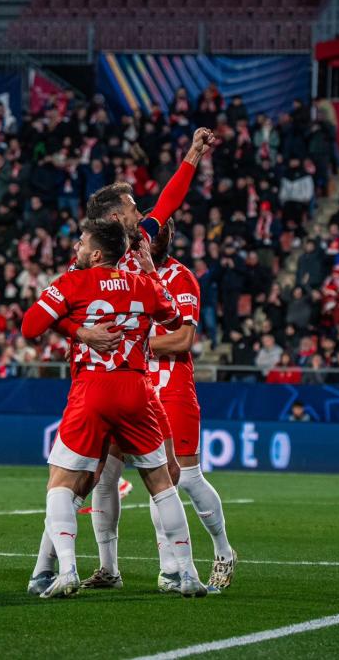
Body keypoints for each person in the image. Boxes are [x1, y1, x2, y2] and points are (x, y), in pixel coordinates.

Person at [20, 219, 207, 599]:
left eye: (82, 244)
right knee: (161, 484)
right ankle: (186, 574)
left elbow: (30, 326)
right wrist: (153, 278)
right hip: (137, 389)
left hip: (92, 388)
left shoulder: (74, 282)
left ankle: (67, 568)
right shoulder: (142, 284)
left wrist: (78, 329)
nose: (77, 249)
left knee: (61, 482)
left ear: (97, 253)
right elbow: (173, 319)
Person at [82, 218, 236, 594]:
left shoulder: (182, 279)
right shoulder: (127, 272)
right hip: (132, 386)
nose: (156, 238)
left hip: (172, 388)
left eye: (164, 232)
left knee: (184, 477)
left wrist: (137, 341)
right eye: (152, 233)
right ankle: (140, 569)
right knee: (110, 475)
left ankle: (223, 551)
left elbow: (183, 340)